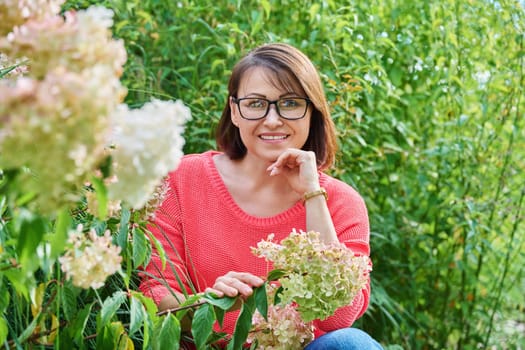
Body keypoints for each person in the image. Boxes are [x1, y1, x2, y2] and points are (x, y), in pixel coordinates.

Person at [139, 42, 382, 349]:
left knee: (351, 344)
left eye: (290, 103)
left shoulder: (341, 203)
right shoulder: (181, 179)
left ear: (312, 112)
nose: (272, 120)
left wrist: (312, 195)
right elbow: (155, 292)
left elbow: (340, 318)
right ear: (235, 111)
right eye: (255, 104)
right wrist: (204, 303)